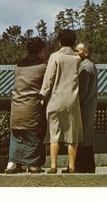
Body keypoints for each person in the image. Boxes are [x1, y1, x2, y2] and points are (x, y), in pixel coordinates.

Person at [40, 29, 82, 174]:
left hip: (56, 99)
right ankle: (71, 166)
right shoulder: (77, 59)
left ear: (59, 41)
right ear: (73, 42)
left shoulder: (55, 57)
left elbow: (49, 78)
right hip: (72, 99)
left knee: (54, 133)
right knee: (72, 134)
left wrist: (43, 95)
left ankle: (53, 165)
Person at [5, 37, 48, 174]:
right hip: (32, 107)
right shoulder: (43, 68)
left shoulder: (18, 66)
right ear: (41, 52)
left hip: (16, 106)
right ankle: (33, 165)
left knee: (17, 134)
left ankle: (12, 163)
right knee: (34, 135)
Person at [75, 42, 98, 173]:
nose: (75, 53)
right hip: (88, 106)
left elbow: (82, 90)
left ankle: (81, 166)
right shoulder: (89, 66)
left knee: (82, 137)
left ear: (86, 52)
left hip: (84, 107)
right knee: (86, 137)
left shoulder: (86, 68)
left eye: (77, 51)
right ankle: (87, 166)